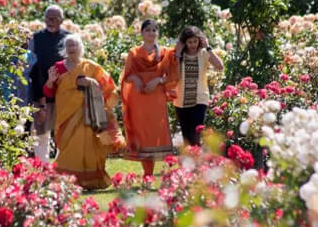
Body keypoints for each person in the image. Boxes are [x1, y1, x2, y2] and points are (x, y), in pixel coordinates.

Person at [43, 34, 125, 189]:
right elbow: (48, 92)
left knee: (88, 146)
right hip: (66, 116)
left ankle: (89, 182)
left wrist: (91, 82)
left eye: (75, 45)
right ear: (64, 49)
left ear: (81, 48)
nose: (72, 48)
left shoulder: (91, 67)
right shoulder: (57, 68)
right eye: (69, 46)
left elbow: (108, 86)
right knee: (68, 150)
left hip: (88, 114)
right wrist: (50, 81)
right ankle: (65, 181)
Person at [120, 19, 179, 177]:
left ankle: (167, 173)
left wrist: (158, 80)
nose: (151, 33)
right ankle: (148, 173)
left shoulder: (165, 52)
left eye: (154, 30)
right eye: (148, 30)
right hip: (139, 97)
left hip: (156, 97)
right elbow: (127, 75)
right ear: (142, 33)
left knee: (156, 131)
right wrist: (136, 79)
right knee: (142, 133)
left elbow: (172, 72)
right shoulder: (134, 52)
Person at [29, 5, 69, 162]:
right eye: (47, 18)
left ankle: (64, 166)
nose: (50, 22)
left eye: (54, 18)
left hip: (64, 94)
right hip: (41, 94)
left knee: (64, 134)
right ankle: (43, 169)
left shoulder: (68, 38)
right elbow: (31, 66)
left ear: (61, 20)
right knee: (41, 134)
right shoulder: (36, 38)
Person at [173, 26, 224, 147]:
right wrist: (178, 54)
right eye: (189, 42)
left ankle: (197, 163)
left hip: (200, 99)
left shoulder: (204, 53)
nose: (193, 44)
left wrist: (208, 47)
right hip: (181, 100)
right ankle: (188, 164)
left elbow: (220, 66)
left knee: (196, 134)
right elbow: (175, 76)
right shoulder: (179, 55)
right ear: (184, 42)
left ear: (199, 40)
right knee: (187, 136)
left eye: (195, 41)